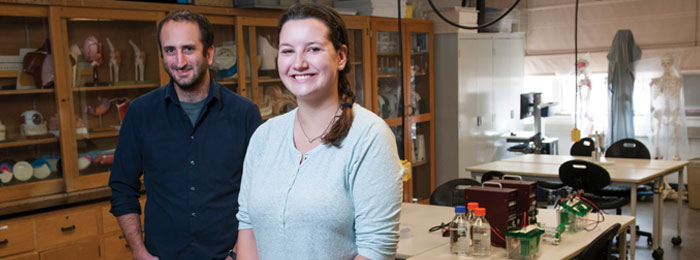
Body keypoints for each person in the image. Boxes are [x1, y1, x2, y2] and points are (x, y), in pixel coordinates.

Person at [236, 4, 403, 260]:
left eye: (313, 49)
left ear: (341, 56)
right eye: (287, 51)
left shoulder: (369, 136)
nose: (299, 63)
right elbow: (248, 226)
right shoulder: (264, 136)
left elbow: (376, 249)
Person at [109, 10, 262, 260]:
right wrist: (138, 250)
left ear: (209, 53)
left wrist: (237, 253)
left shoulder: (244, 114)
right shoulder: (140, 113)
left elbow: (260, 194)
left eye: (188, 49)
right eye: (170, 50)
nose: (179, 61)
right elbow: (122, 187)